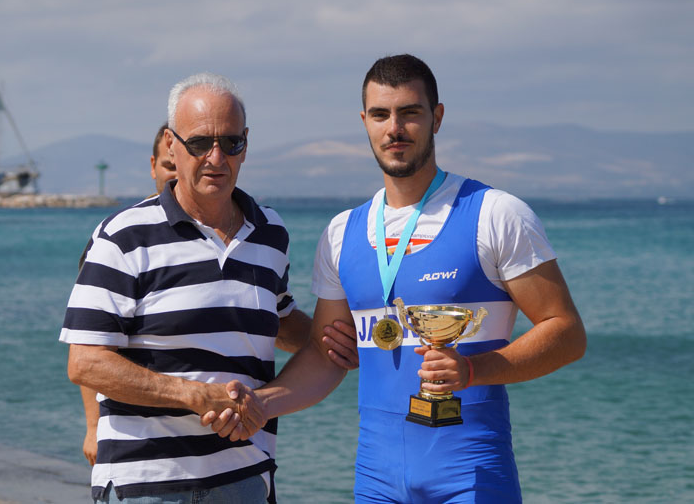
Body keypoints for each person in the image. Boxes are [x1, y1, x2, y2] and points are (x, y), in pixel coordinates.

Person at [207, 54, 587, 503]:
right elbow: (327, 356)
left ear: (436, 118)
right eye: (381, 115)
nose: (395, 129)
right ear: (365, 122)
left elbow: (566, 333)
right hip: (377, 478)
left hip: (470, 474)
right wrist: (260, 404)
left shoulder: (495, 214)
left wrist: (473, 370)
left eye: (410, 113)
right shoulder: (342, 232)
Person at [61, 72, 356, 504]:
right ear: (171, 144)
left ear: (245, 144)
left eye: (230, 143)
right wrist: (196, 396)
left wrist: (341, 344)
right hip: (148, 486)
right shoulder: (123, 235)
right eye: (200, 143)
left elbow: (275, 319)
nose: (216, 157)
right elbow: (85, 363)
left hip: (246, 479)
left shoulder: (270, 233)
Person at [78, 122, 177, 467]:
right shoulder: (119, 236)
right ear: (153, 166)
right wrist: (93, 427)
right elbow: (90, 339)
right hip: (132, 441)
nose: (176, 175)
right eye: (168, 166)